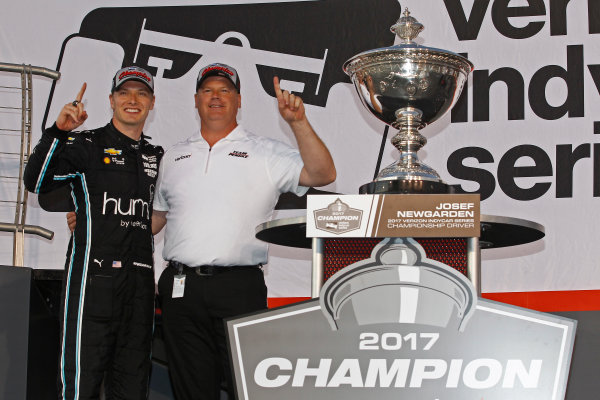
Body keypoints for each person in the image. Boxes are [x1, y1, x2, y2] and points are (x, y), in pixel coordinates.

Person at [152, 63, 336, 400]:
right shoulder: (174, 156)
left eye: (225, 90)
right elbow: (155, 219)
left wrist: (298, 123)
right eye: (208, 90)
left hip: (239, 286)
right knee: (191, 391)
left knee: (247, 389)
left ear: (239, 101)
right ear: (195, 100)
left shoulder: (264, 151)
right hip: (181, 288)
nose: (216, 97)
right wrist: (96, 222)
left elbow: (322, 173)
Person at [24, 66, 163, 400]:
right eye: (125, 93)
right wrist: (57, 132)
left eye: (141, 93)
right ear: (111, 100)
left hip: (140, 287)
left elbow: (159, 215)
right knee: (80, 388)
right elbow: (36, 182)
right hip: (92, 283)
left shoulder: (156, 157)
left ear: (153, 102)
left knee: (132, 390)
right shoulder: (85, 144)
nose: (133, 100)